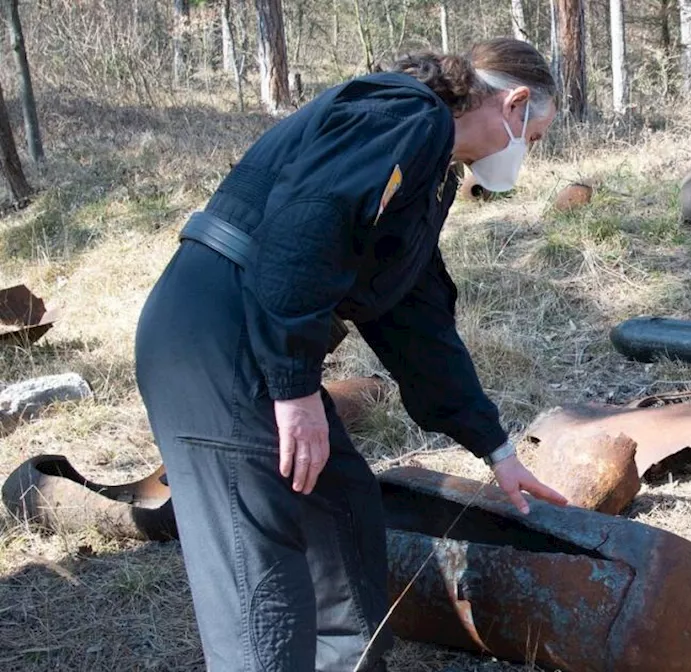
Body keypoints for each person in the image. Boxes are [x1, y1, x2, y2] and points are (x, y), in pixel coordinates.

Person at [134, 38, 569, 672]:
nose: (526, 152)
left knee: (338, 503)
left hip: (253, 330)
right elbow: (301, 233)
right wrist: (292, 388)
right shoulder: (406, 116)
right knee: (260, 560)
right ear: (515, 102)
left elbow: (414, 323)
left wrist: (494, 447)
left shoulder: (425, 174)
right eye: (536, 135)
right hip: (218, 334)